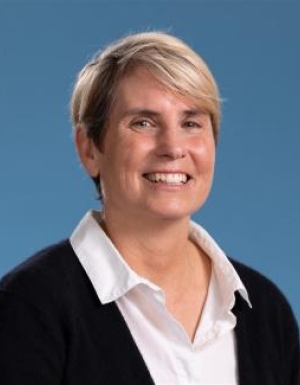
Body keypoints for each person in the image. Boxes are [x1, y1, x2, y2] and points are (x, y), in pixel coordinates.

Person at [0, 32, 299, 385]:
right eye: (143, 122)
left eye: (191, 123)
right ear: (89, 149)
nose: (173, 147)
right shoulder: (26, 308)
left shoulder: (264, 310)